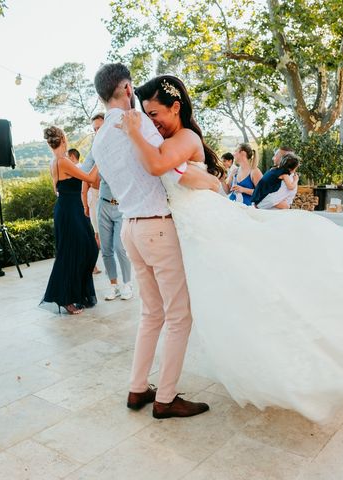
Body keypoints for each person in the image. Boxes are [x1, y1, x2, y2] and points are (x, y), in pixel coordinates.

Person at [118, 74, 343, 423]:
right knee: (232, 294)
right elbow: (184, 175)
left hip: (206, 222)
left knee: (264, 280)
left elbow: (167, 169)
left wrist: (136, 134)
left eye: (154, 113)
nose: (150, 121)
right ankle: (163, 388)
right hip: (191, 228)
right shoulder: (164, 138)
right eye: (145, 113)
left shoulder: (184, 137)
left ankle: (303, 354)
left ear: (176, 107)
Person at [91, 65, 212, 419]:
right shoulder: (137, 122)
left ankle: (137, 388)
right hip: (158, 227)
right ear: (127, 88)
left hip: (130, 227)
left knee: (151, 313)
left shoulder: (98, 138)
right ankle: (166, 398)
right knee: (179, 317)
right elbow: (167, 169)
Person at [41, 127, 99, 315]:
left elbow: (56, 190)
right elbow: (89, 178)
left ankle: (78, 294)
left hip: (68, 208)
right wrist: (100, 156)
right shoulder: (63, 161)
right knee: (73, 252)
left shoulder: (54, 162)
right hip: (70, 211)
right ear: (64, 139)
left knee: (87, 248)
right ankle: (66, 299)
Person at [80, 112, 133, 301]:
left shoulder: (122, 145)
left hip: (121, 207)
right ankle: (113, 285)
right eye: (94, 130)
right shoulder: (95, 150)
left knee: (120, 248)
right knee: (107, 249)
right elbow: (84, 170)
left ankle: (127, 284)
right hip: (102, 204)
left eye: (99, 128)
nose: (97, 132)